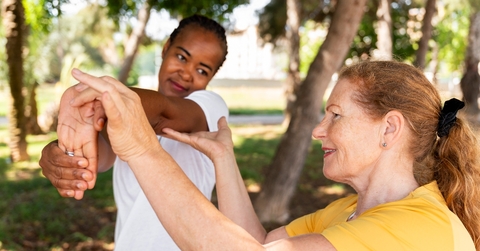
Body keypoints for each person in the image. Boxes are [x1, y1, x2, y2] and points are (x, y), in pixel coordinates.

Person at [66, 60, 480, 250]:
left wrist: (140, 148)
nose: (319, 129)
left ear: (389, 128)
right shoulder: (348, 214)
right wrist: (224, 160)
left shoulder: (416, 229)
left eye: (335, 115)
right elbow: (257, 244)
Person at [39, 15, 229, 250]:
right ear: (165, 48)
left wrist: (104, 97)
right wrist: (58, 154)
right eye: (181, 57)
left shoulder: (211, 109)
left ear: (211, 77)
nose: (187, 73)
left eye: (202, 70)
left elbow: (164, 113)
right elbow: (92, 155)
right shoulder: (124, 117)